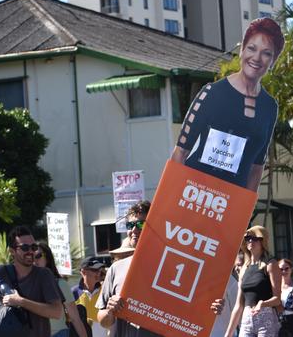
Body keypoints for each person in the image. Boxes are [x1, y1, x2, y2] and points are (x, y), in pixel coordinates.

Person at [170, 17, 283, 192]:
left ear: (273, 60)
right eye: (252, 48)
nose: (257, 58)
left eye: (266, 53)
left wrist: (243, 211)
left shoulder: (269, 107)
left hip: (230, 204)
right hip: (194, 195)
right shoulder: (212, 93)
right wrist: (173, 197)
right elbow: (181, 152)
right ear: (242, 51)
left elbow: (256, 167)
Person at [0, 225, 63, 337]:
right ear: (12, 251)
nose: (30, 251)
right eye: (25, 248)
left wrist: (21, 301)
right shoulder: (2, 271)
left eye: (33, 247)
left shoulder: (44, 275)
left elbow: (57, 312)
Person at [96, 200, 161, 337]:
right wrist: (110, 311)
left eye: (141, 224)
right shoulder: (116, 268)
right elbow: (103, 321)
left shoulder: (168, 267)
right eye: (130, 225)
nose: (134, 230)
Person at [225, 225, 281, 337]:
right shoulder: (244, 268)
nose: (250, 241)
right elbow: (238, 305)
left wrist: (263, 303)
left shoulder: (270, 264)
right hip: (246, 318)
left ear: (263, 241)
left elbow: (277, 299)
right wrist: (228, 334)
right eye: (248, 239)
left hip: (265, 317)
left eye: (255, 238)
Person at [34, 242, 89, 337]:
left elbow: (75, 318)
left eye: (38, 256)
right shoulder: (25, 286)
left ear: (47, 258)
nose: (35, 260)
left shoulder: (60, 284)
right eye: (31, 257)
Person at [73, 256, 108, 337]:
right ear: (83, 272)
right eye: (94, 270)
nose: (98, 273)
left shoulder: (106, 291)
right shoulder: (73, 293)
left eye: (99, 270)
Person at [278, 258, 293, 337]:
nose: (284, 271)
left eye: (286, 268)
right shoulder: (275, 287)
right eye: (281, 269)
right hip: (279, 322)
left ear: (291, 269)